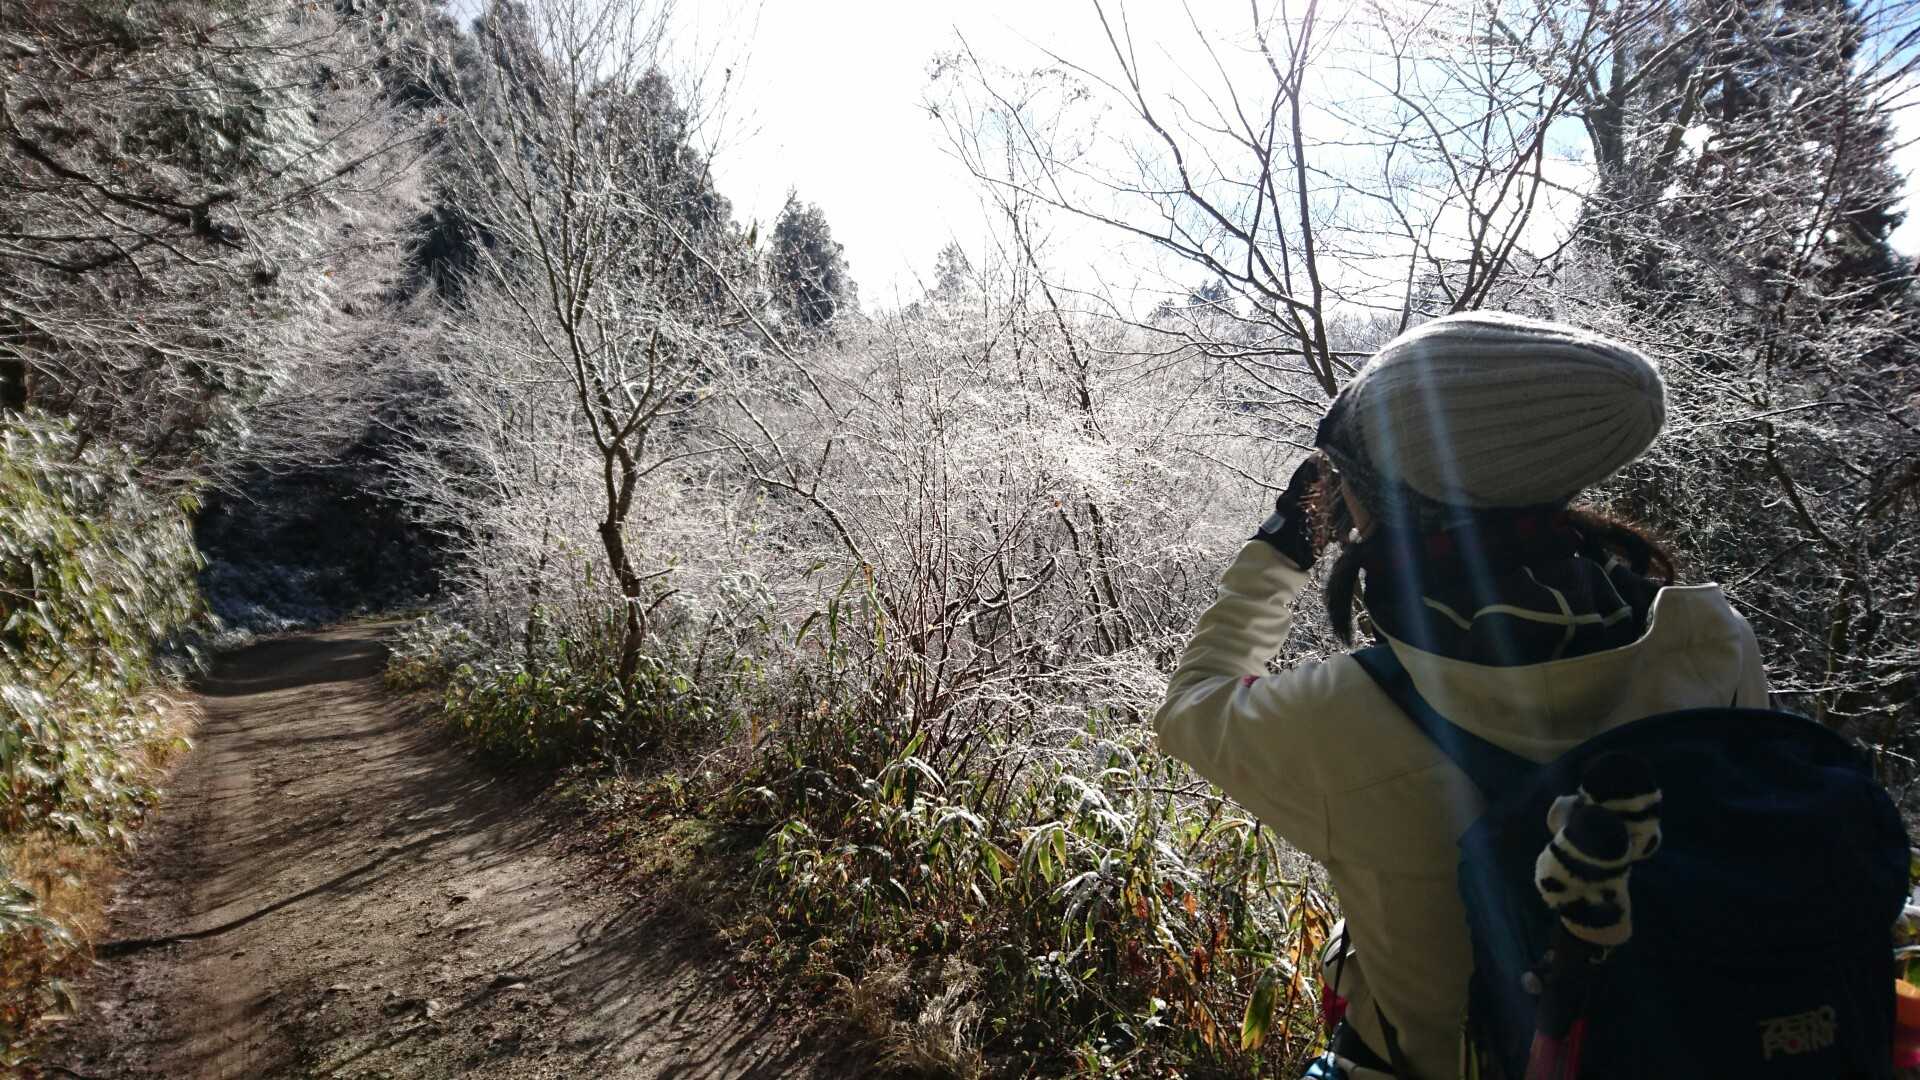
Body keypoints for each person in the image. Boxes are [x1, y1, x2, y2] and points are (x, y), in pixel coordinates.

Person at [1152, 312, 1772, 1079]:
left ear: (1374, 502)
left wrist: (1286, 545)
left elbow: (1193, 703)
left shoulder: (1346, 714)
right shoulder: (1713, 644)